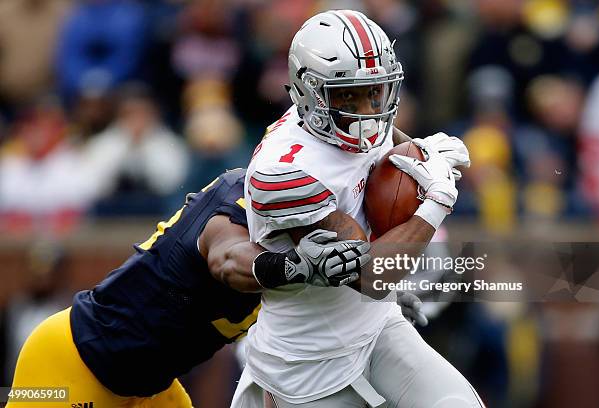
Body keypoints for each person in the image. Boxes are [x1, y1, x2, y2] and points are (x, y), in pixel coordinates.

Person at [232, 10, 483, 407]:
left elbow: (391, 147)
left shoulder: (356, 123)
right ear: (308, 93)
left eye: (375, 91)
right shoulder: (285, 169)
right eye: (348, 95)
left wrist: (426, 152)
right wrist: (435, 202)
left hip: (375, 325)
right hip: (308, 362)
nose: (368, 111)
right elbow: (370, 276)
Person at [7, 168, 372, 408]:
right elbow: (229, 260)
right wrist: (298, 265)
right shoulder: (243, 202)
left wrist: (375, 300)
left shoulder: (318, 244)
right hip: (75, 361)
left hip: (149, 387)